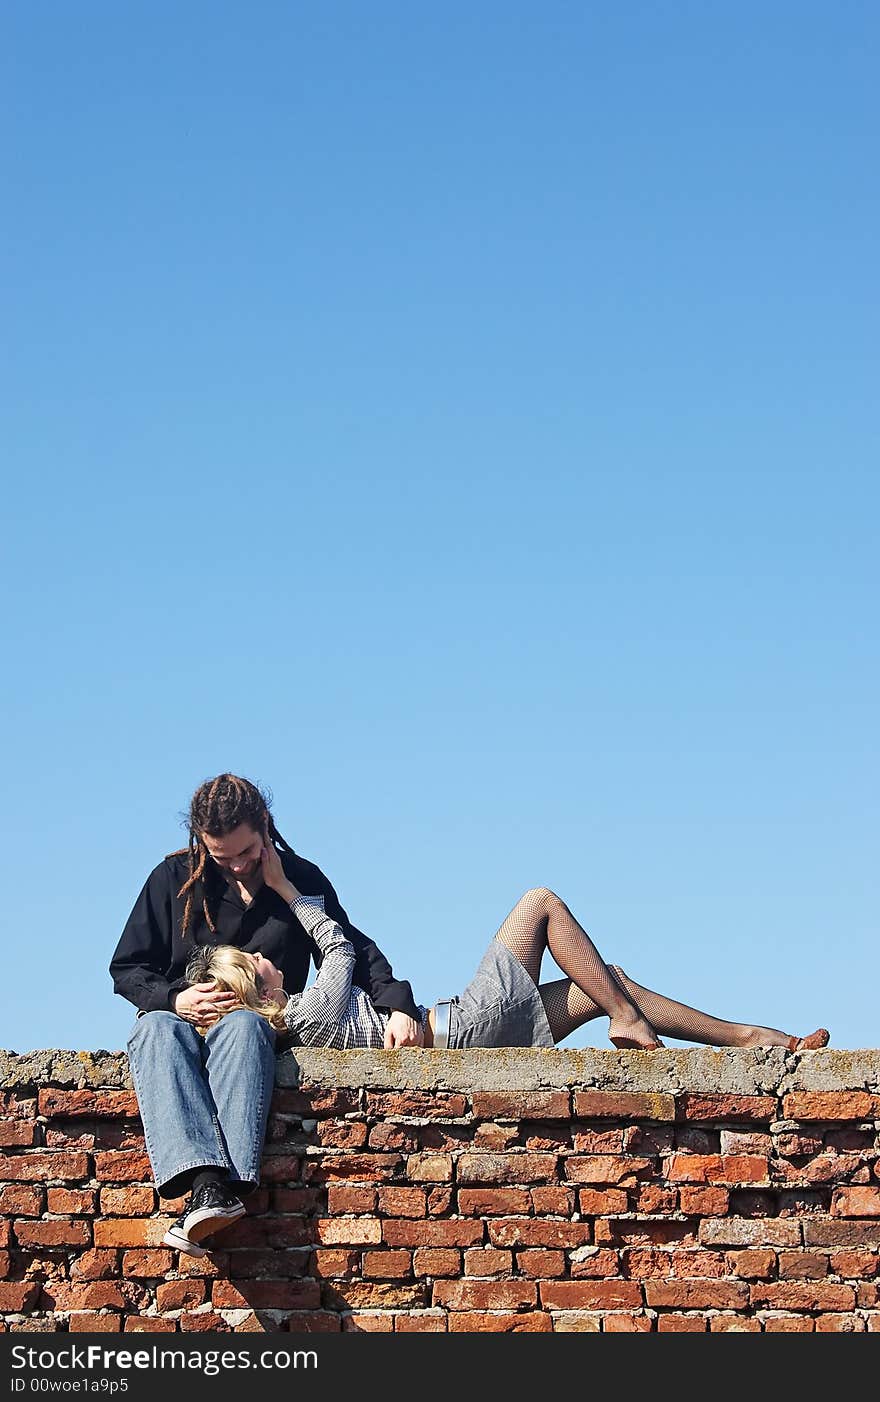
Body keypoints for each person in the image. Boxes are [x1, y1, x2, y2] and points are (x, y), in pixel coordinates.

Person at [110, 773, 422, 1257]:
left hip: (260, 1029)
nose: (237, 865)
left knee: (244, 1024)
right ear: (201, 842)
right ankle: (207, 1186)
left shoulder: (301, 877)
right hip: (181, 1025)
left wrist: (396, 1002)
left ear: (265, 827)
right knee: (153, 1027)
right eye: (221, 856)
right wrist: (175, 999)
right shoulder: (170, 880)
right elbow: (127, 968)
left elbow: (348, 946)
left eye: (247, 851)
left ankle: (223, 1187)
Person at [185, 879, 830, 1056]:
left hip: (473, 1029)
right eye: (258, 963)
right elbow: (339, 945)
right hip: (462, 1028)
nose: (269, 957)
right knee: (540, 903)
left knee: (612, 989)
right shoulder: (303, 1016)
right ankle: (631, 1025)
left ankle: (764, 1043)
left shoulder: (298, 1022)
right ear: (259, 990)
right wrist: (285, 886)